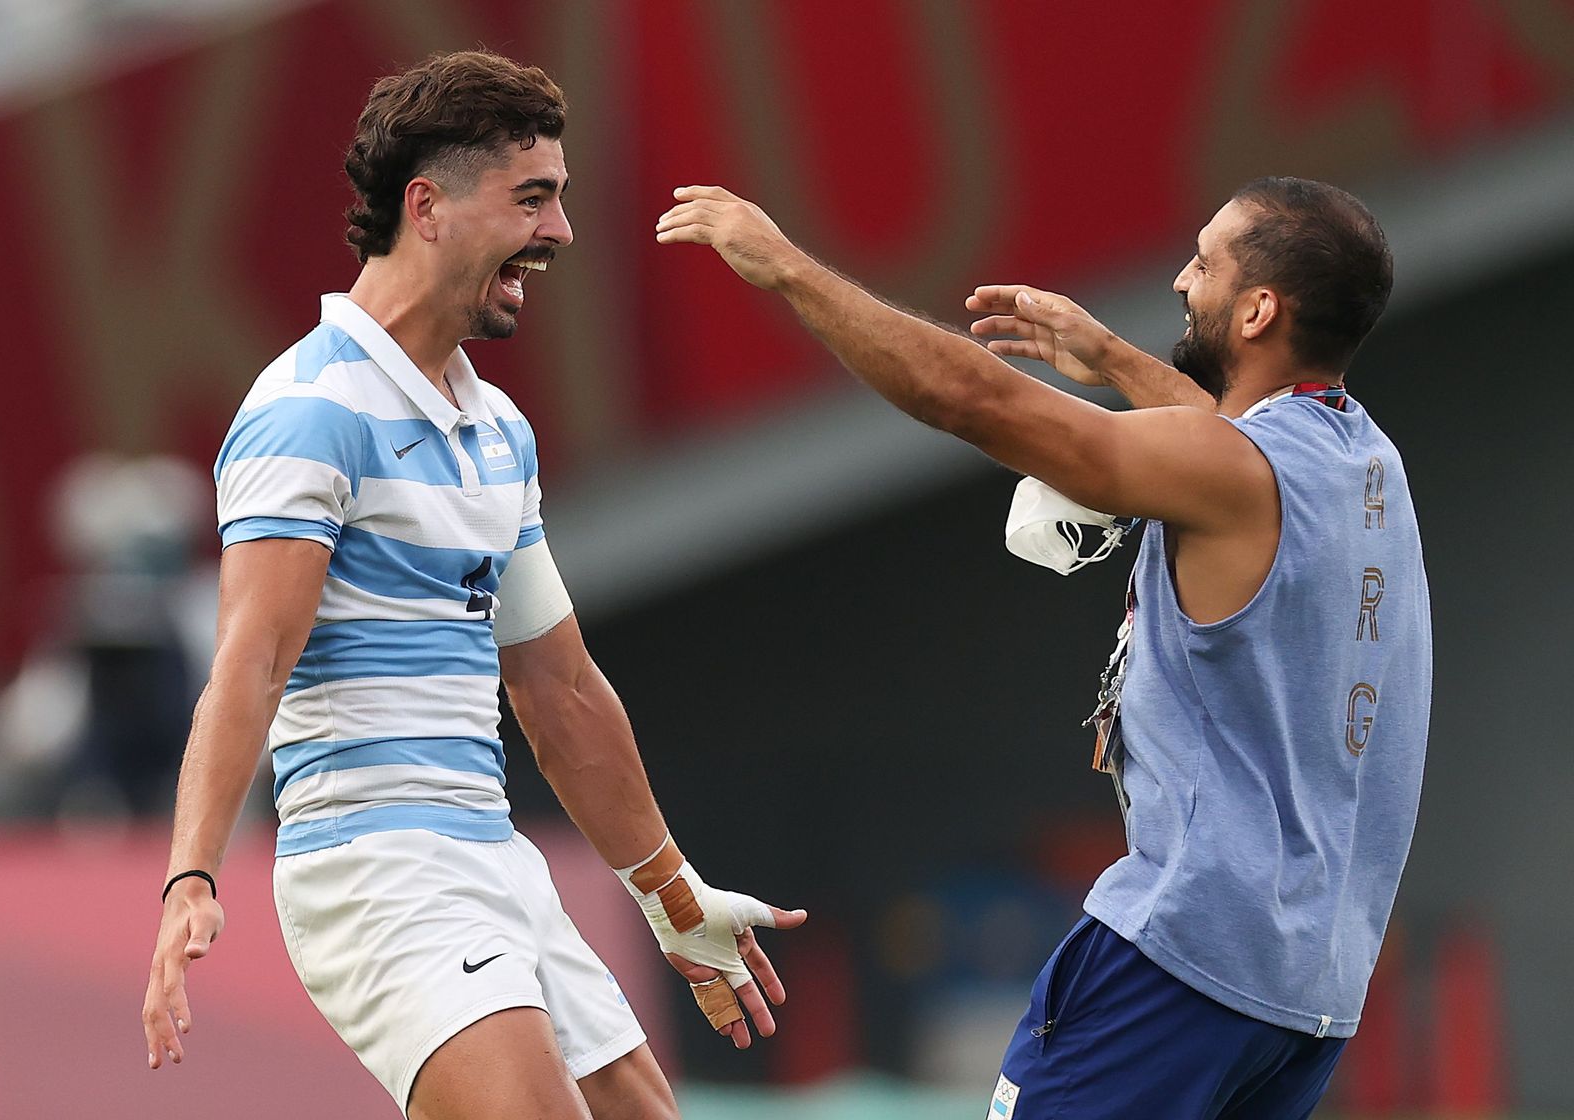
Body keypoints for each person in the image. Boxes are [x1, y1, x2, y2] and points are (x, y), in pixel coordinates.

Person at [657, 176, 1429, 1119]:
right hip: (1307, 1003)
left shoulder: (1234, 470)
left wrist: (788, 270)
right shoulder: (1365, 463)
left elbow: (968, 397)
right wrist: (1111, 358)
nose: (1183, 281)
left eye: (1205, 263)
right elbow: (1234, 442)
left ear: (1258, 310)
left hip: (1178, 963)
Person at [140, 51, 805, 1120]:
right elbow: (251, 662)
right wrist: (192, 876)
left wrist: (672, 894)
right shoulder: (307, 410)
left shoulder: (498, 429)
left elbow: (561, 690)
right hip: (376, 870)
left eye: (560, 198)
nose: (561, 231)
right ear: (428, 208)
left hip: (492, 857)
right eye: (531, 199)